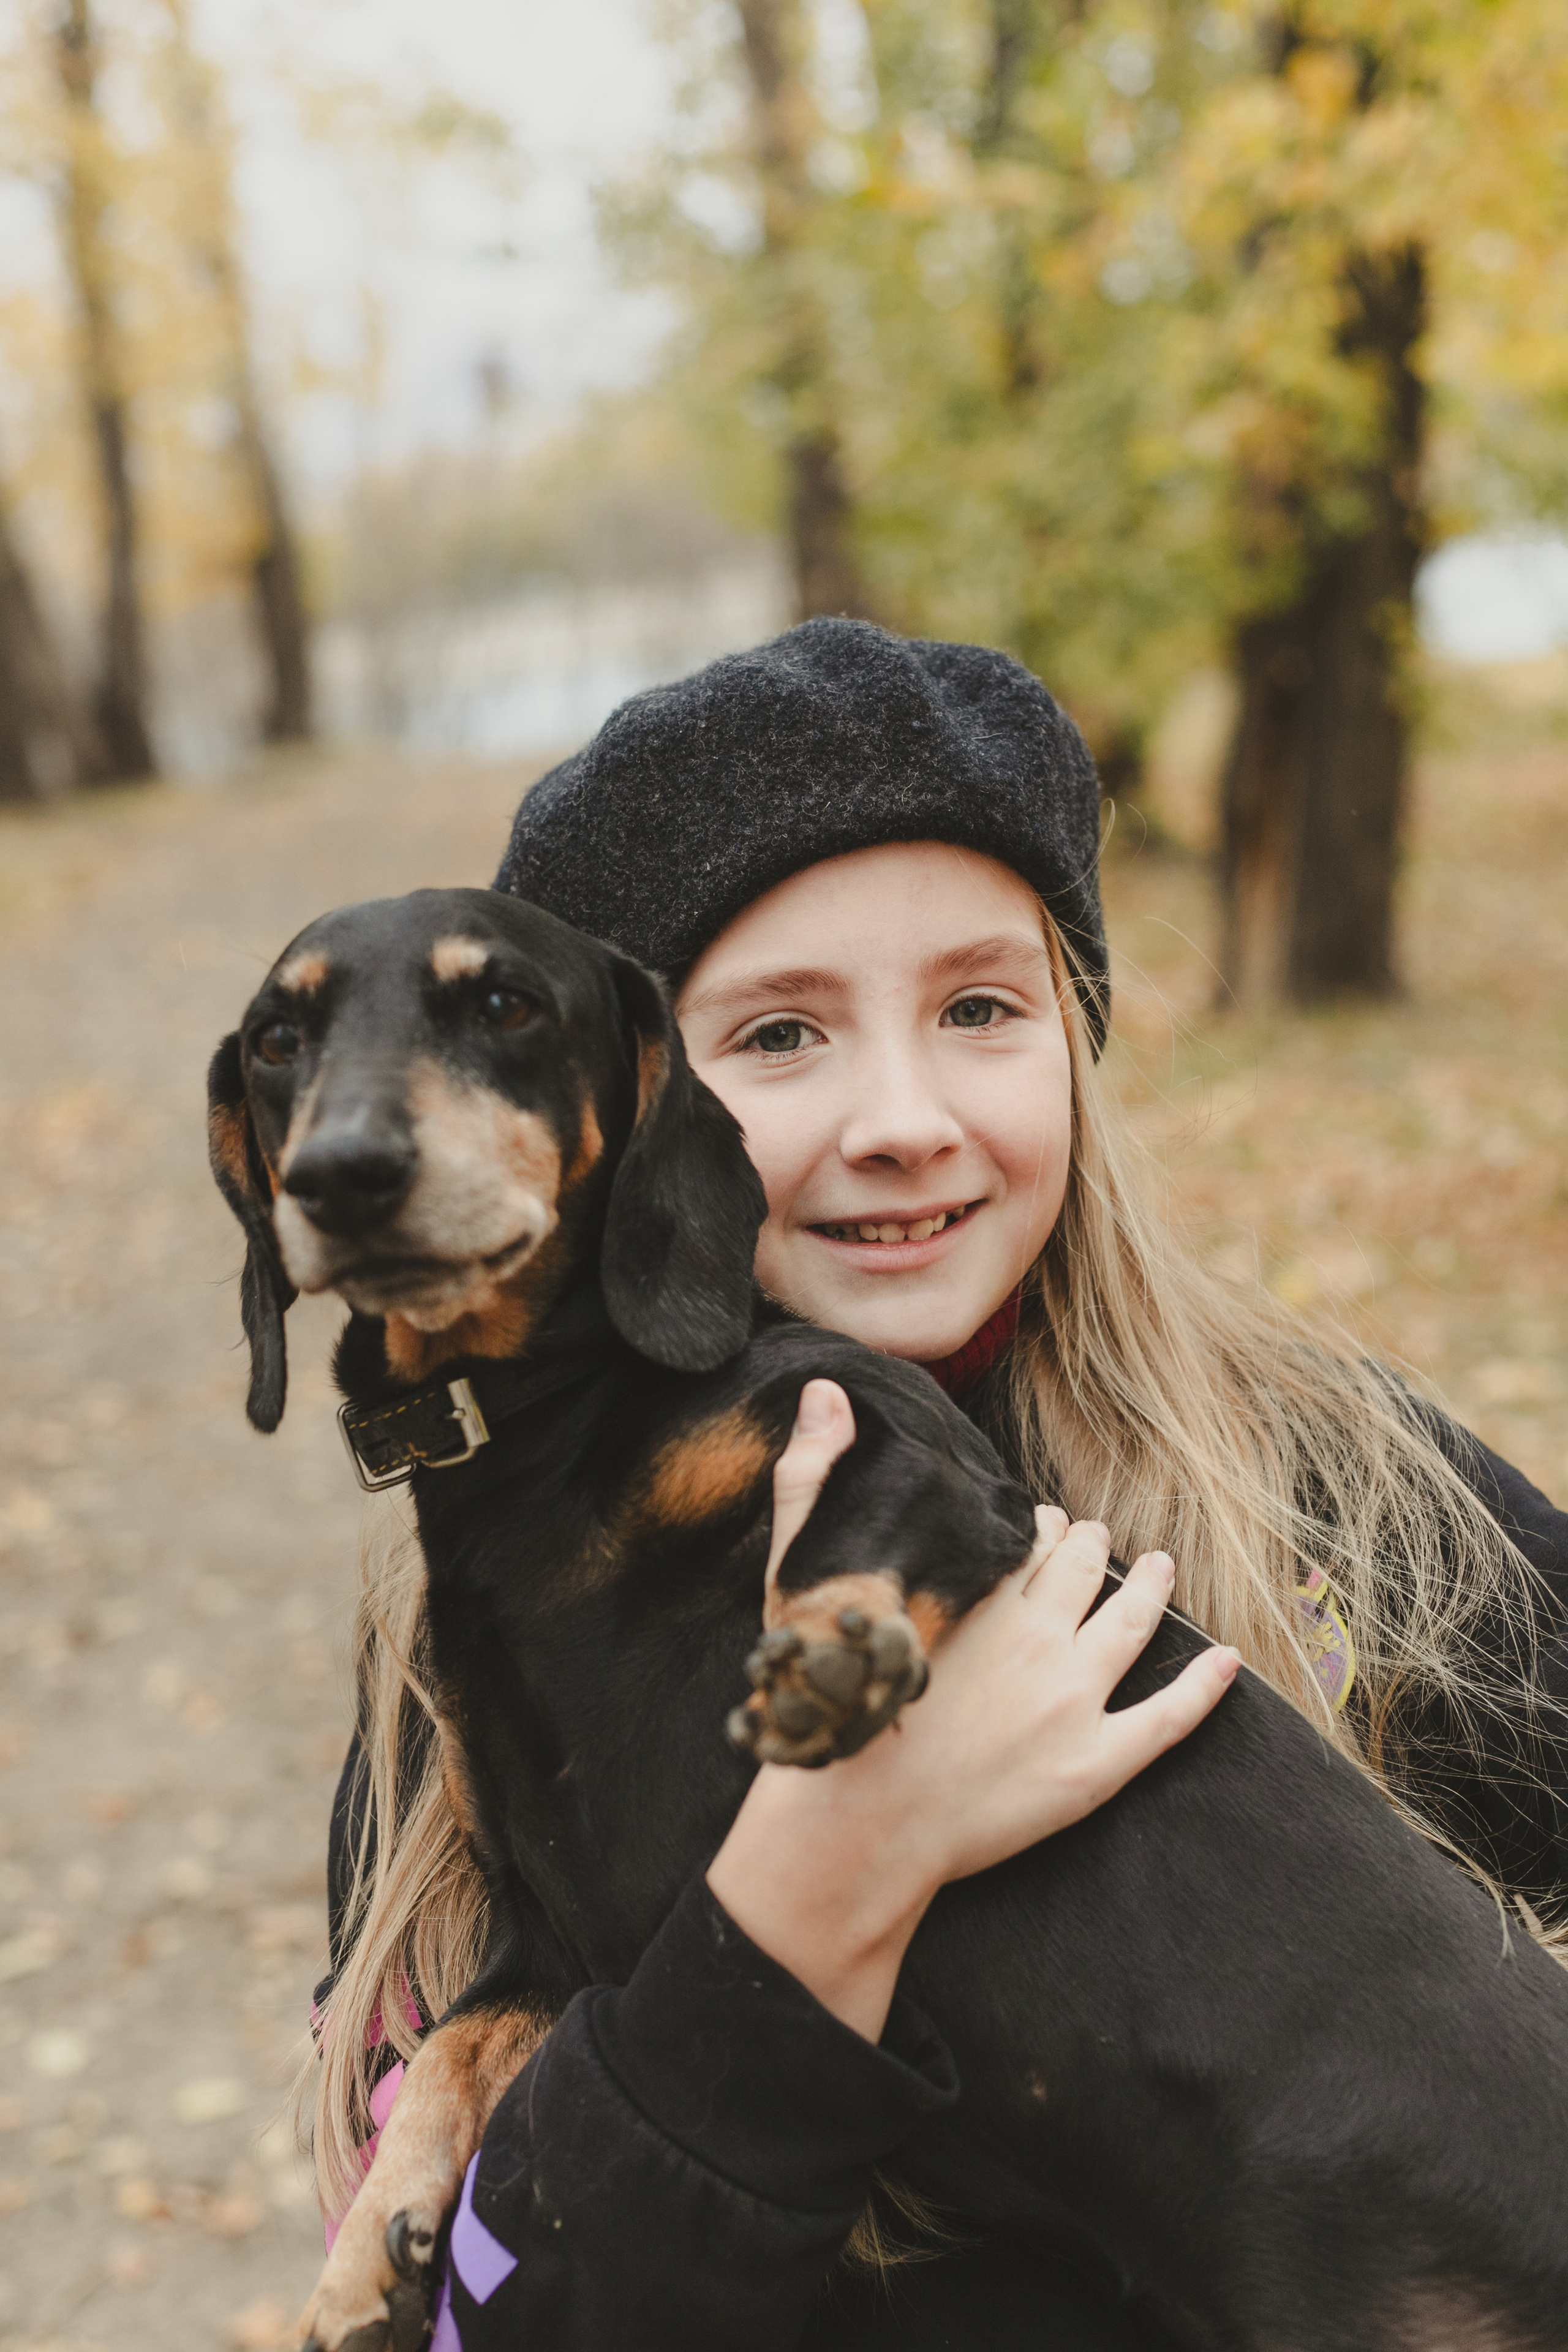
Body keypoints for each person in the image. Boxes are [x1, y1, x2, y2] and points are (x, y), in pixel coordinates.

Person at [309, 620, 1568, 2350]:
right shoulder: (479, 1674)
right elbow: (459, 2320)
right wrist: (822, 1884)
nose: (902, 1117)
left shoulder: (1338, 1490)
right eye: (780, 1035)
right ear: (613, 1111)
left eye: (980, 1008)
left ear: (1073, 1044)